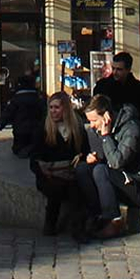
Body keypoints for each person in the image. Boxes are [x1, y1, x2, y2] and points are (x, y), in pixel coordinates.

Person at [75, 94, 140, 240]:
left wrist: (106, 136)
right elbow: (105, 158)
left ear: (107, 115)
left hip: (138, 185)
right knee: (83, 169)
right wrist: (93, 158)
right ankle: (95, 215)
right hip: (119, 179)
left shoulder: (132, 130)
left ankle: (113, 220)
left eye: (94, 120)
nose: (92, 125)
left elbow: (116, 162)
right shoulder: (97, 130)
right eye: (89, 121)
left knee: (102, 171)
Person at [31, 91, 90, 236]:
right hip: (49, 174)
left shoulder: (77, 128)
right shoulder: (43, 128)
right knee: (56, 187)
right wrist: (45, 170)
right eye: (51, 107)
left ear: (65, 108)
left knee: (75, 189)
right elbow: (34, 159)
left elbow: (85, 150)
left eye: (56, 107)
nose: (53, 111)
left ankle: (78, 228)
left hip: (70, 171)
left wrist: (80, 157)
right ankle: (50, 224)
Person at [0, 73, 47, 157]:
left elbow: (8, 113)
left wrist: (0, 124)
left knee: (18, 147)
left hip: (20, 129)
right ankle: (31, 150)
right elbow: (44, 112)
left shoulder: (16, 99)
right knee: (34, 142)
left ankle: (23, 151)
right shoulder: (38, 98)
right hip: (35, 128)